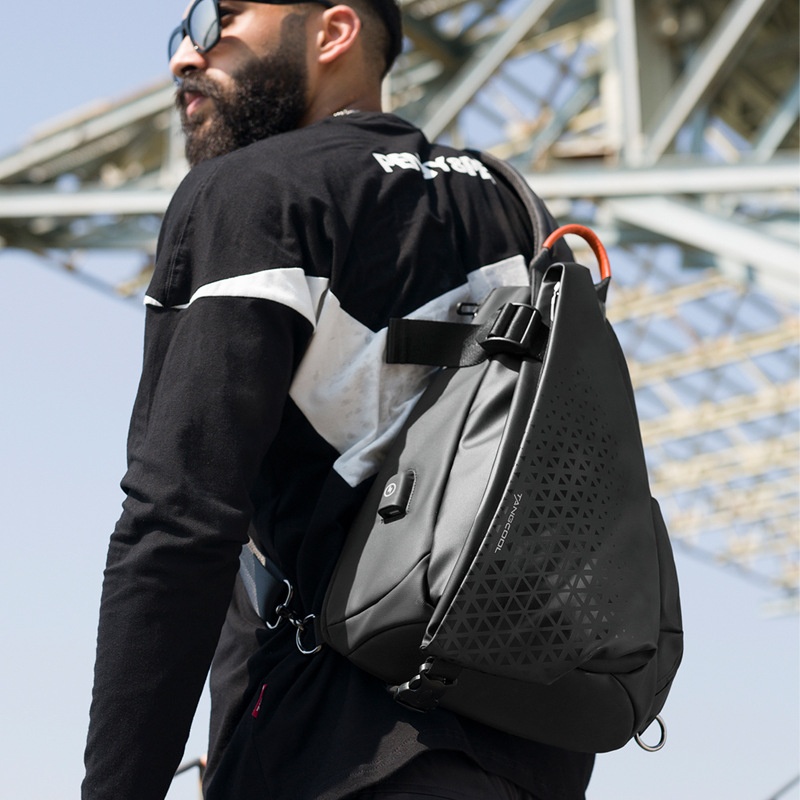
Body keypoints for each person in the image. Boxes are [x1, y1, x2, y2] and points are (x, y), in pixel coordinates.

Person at [82, 1, 595, 798]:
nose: (186, 55)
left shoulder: (257, 193)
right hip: (529, 756)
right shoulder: (517, 210)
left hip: (339, 750)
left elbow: (177, 522)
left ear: (333, 32)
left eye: (220, 18)